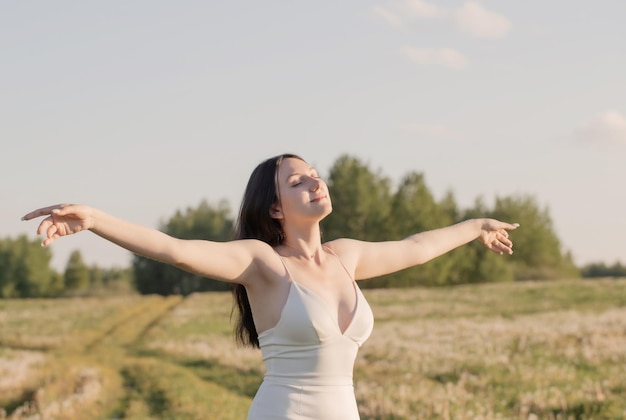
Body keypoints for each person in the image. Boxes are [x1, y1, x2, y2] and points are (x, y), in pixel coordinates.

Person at [22, 153, 519, 419]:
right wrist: (95, 219)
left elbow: (415, 245)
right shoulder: (263, 264)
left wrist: (476, 226)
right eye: (298, 181)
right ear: (276, 208)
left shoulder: (346, 256)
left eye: (316, 176)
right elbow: (174, 248)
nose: (315, 183)